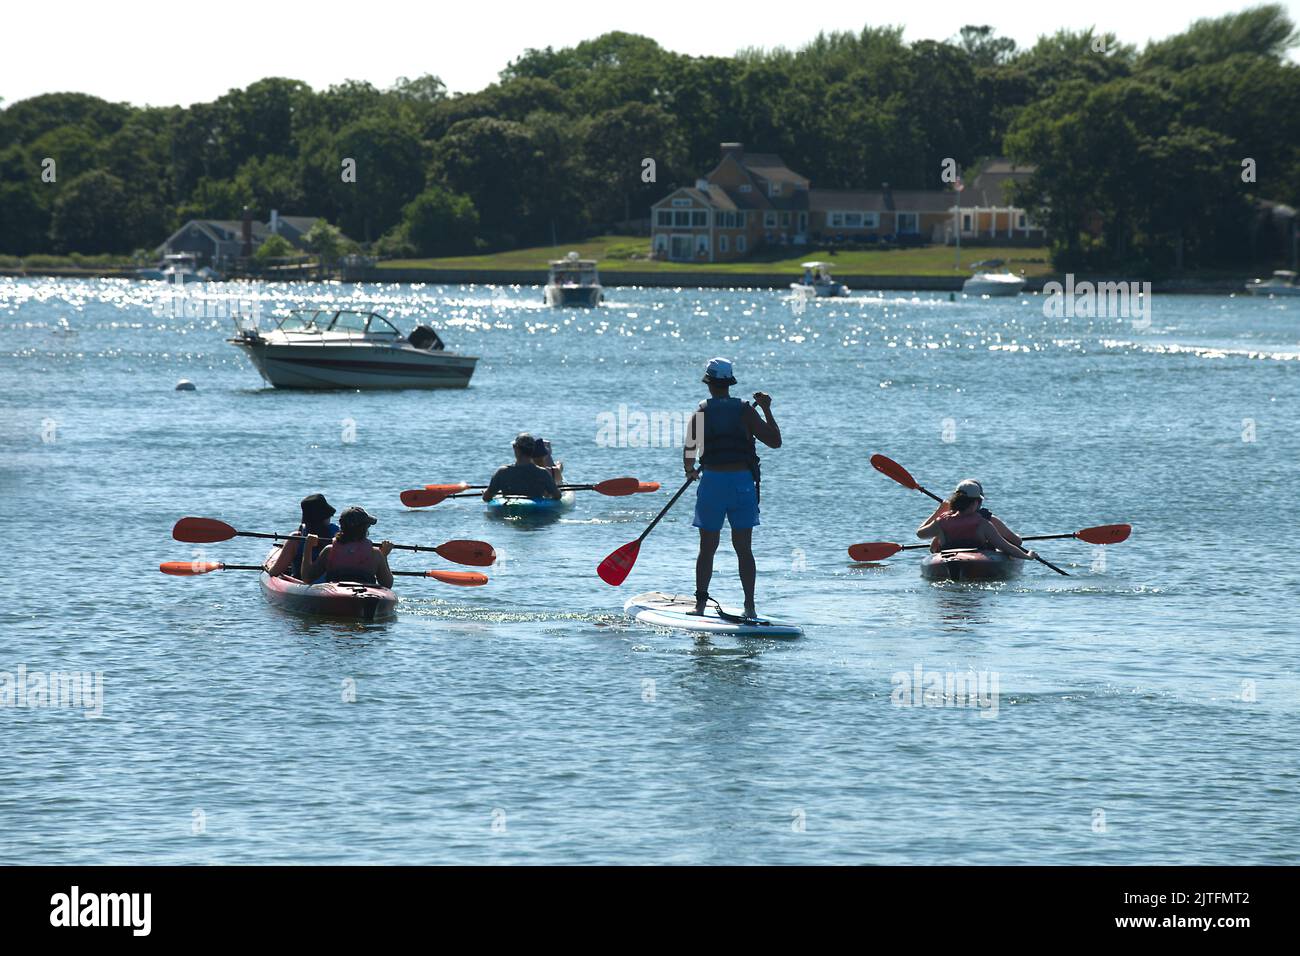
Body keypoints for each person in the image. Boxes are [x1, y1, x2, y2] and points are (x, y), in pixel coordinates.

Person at [682, 357, 782, 619]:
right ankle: (750, 606)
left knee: (707, 548)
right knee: (744, 548)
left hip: (713, 483)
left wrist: (689, 472)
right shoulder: (746, 410)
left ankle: (700, 604)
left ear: (709, 383)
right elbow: (775, 442)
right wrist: (766, 410)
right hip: (742, 484)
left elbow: (689, 451)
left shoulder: (701, 411)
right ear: (729, 382)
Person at [916, 480, 1036, 561]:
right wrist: (1028, 556)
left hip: (949, 559)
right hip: (978, 563)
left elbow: (920, 534)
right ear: (975, 502)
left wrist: (940, 511)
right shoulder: (983, 523)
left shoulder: (941, 521)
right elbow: (1005, 546)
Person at [299, 506, 394, 588]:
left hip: (336, 596)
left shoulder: (329, 550)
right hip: (364, 595)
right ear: (365, 528)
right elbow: (387, 584)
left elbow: (307, 578)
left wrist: (308, 546)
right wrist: (384, 555)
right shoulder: (376, 554)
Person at [266, 493, 339, 579]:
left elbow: (275, 572)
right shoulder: (337, 533)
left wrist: (267, 568)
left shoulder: (296, 539)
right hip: (330, 581)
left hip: (302, 579)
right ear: (325, 517)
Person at [482, 433, 561, 501]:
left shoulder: (502, 472)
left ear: (515, 448)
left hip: (509, 512)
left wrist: (485, 493)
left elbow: (486, 498)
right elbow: (557, 496)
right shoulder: (543, 473)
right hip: (535, 514)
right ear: (533, 449)